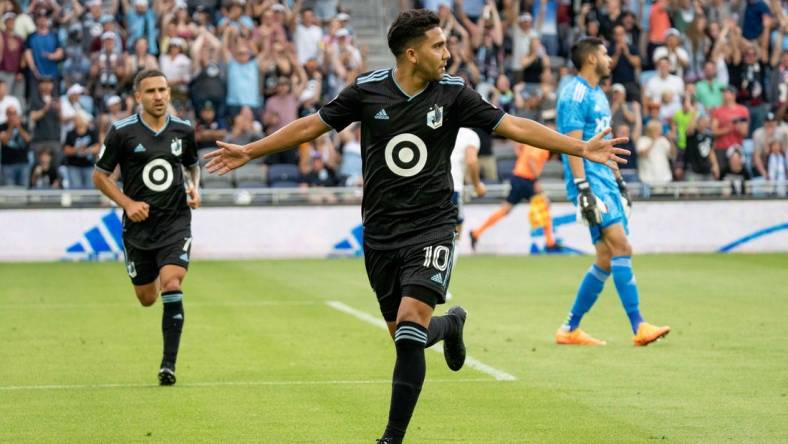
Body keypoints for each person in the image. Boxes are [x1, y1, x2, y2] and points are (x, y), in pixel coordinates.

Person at [205, 10, 628, 443]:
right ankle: (451, 326)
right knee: (410, 335)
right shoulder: (367, 91)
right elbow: (314, 125)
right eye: (438, 46)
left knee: (408, 330)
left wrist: (579, 147)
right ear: (412, 53)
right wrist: (250, 151)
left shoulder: (454, 93)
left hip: (432, 227)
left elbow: (514, 125)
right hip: (381, 233)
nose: (448, 53)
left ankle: (391, 437)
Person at [555, 37, 670, 347]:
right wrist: (582, 189)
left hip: (605, 180)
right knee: (622, 246)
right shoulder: (575, 93)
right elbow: (572, 146)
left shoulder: (599, 95)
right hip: (590, 182)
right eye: (605, 53)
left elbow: (605, 146)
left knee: (606, 257)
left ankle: (569, 329)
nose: (609, 59)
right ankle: (639, 325)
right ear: (591, 58)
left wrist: (619, 181)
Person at [92, 69, 201, 386]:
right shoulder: (122, 132)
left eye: (163, 90)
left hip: (175, 222)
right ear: (137, 96)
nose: (159, 96)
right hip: (138, 229)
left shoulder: (183, 130)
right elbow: (99, 176)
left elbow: (192, 166)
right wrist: (126, 203)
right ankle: (150, 278)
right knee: (146, 298)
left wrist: (195, 188)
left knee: (172, 283)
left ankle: (168, 365)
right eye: (151, 91)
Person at [469, 140, 557, 251]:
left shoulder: (532, 141)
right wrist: (536, 180)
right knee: (544, 205)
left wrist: (521, 159)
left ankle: (476, 233)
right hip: (526, 180)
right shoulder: (542, 146)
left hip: (518, 177)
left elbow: (519, 146)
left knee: (506, 209)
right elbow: (531, 160)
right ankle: (550, 243)